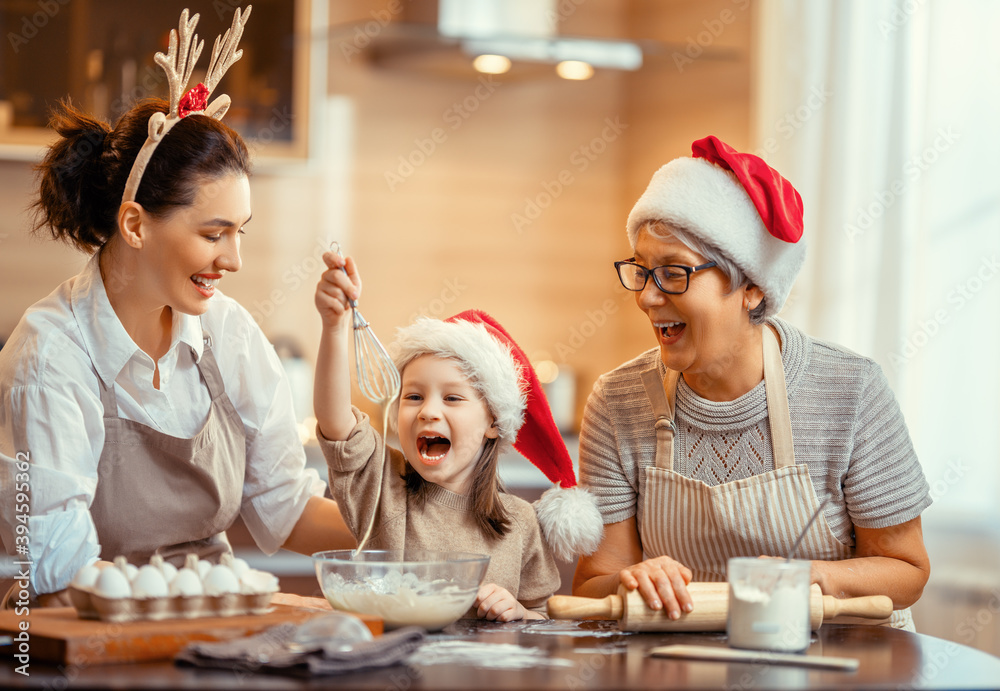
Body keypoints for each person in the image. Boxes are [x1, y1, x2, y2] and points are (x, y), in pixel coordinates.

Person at [0, 7, 353, 607]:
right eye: (214, 234)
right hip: (88, 628)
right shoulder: (50, 356)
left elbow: (286, 511)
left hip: (204, 621)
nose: (233, 259)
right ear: (135, 224)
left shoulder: (228, 334)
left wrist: (417, 525)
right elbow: (60, 565)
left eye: (240, 232)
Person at [573, 135, 932, 631]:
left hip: (844, 664)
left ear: (753, 287)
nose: (647, 299)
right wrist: (630, 580)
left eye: (674, 273)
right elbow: (595, 583)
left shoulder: (852, 390)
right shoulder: (618, 402)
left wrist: (807, 579)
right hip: (684, 666)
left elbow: (907, 570)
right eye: (642, 270)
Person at [313, 252, 603, 621]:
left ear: (493, 423)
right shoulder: (381, 485)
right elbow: (334, 419)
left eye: (452, 398)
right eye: (413, 396)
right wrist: (335, 326)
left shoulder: (520, 523)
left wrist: (517, 611)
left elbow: (541, 618)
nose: (428, 411)